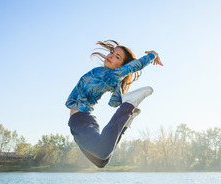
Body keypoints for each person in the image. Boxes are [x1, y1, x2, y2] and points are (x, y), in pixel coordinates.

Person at [66, 40, 163, 168]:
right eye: (112, 52)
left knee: (102, 153)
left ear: (120, 66)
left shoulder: (112, 75)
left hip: (80, 120)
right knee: (101, 161)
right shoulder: (100, 71)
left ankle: (129, 105)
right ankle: (127, 119)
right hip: (79, 121)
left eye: (117, 57)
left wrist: (153, 55)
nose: (111, 56)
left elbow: (133, 66)